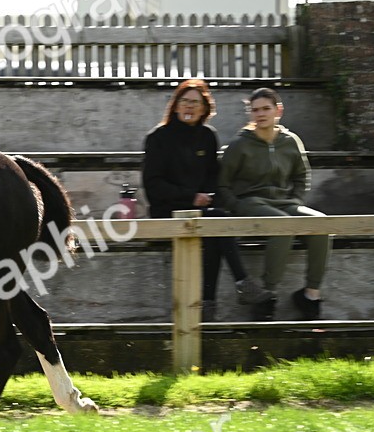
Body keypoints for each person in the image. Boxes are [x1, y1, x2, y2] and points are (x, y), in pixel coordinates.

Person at [142, 79, 272, 322]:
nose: (189, 107)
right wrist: (190, 197)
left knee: (215, 226)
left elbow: (214, 175)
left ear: (204, 108)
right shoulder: (158, 138)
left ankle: (208, 306)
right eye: (185, 101)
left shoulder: (207, 136)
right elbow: (153, 185)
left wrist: (209, 196)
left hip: (201, 211)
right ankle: (239, 284)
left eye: (196, 102)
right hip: (167, 212)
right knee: (216, 221)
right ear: (176, 105)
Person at [218, 87, 331, 320]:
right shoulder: (240, 144)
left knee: (321, 224)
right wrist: (236, 205)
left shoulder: (290, 141)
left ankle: (311, 294)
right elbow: (222, 184)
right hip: (250, 202)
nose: (260, 114)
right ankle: (267, 295)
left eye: (265, 109)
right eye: (255, 110)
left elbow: (302, 176)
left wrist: (297, 200)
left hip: (285, 203)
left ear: (278, 110)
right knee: (283, 224)